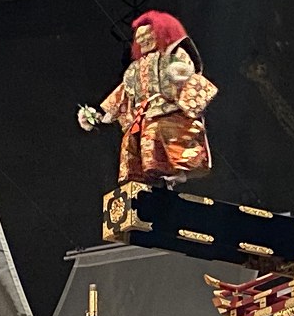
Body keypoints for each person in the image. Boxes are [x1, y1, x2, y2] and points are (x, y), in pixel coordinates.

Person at [78, 10, 217, 187]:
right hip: (143, 116)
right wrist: (100, 115)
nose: (143, 40)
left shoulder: (173, 55)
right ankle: (146, 182)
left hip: (169, 112)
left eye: (147, 35)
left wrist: (181, 78)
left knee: (156, 132)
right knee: (130, 142)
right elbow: (123, 94)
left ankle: (175, 173)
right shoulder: (134, 69)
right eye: (139, 37)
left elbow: (190, 76)